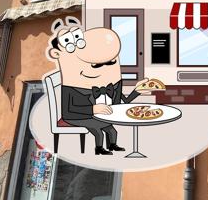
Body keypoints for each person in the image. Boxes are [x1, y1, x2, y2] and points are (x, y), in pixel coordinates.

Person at [45, 16, 150, 155]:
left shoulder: (111, 85)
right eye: (96, 65)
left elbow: (123, 102)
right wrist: (93, 109)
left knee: (111, 129)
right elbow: (69, 111)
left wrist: (138, 90)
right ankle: (99, 148)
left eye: (111, 62)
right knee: (98, 129)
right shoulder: (71, 88)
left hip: (98, 113)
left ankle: (112, 145)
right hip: (76, 116)